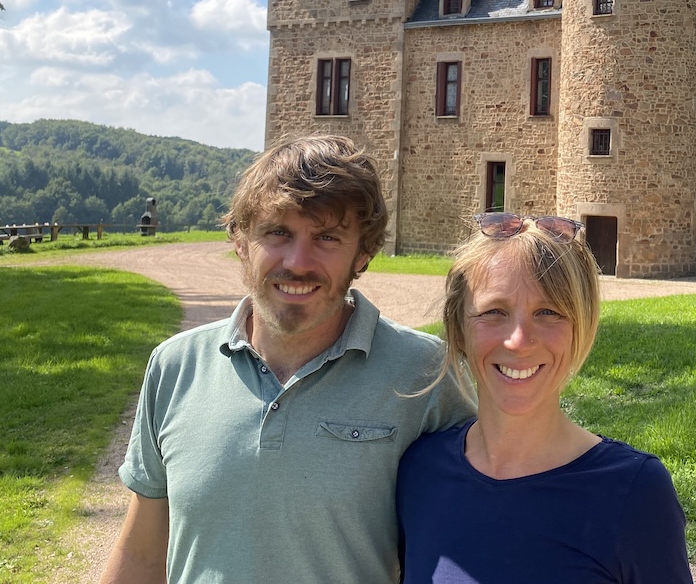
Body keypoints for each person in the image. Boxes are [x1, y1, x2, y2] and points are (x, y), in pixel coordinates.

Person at [100, 134, 475, 584]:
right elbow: (142, 551)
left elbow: (463, 546)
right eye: (278, 232)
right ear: (240, 240)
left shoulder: (425, 374)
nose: (298, 262)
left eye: (327, 237)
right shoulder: (175, 366)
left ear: (364, 253)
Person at [396, 212, 694, 583]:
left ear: (580, 326)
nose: (519, 340)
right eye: (494, 312)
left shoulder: (633, 493)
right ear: (459, 327)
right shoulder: (419, 471)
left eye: (548, 312)